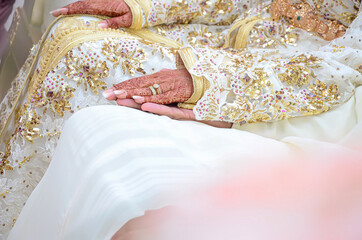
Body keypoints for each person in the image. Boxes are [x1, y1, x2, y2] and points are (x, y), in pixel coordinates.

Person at [0, 0, 361, 238]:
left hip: (289, 72)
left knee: (91, 61)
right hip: (233, 34)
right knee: (74, 31)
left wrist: (211, 82)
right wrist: (144, 9)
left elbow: (350, 62)